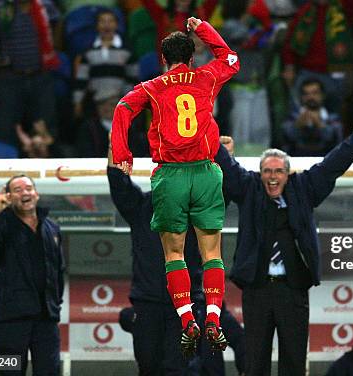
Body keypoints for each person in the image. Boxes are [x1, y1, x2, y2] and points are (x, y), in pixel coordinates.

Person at [111, 17, 239, 355]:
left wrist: (124, 153)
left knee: (174, 254)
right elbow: (231, 58)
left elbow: (123, 108)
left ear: (163, 59)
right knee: (212, 253)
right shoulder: (207, 77)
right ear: (193, 56)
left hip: (171, 176)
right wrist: (204, 29)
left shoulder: (153, 87)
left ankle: (187, 321)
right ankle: (212, 315)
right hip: (207, 172)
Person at [215, 119, 353, 375]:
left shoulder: (304, 188)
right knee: (255, 360)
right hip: (257, 290)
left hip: (293, 288)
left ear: (287, 175)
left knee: (294, 360)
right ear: (260, 173)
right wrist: (222, 149)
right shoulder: (250, 189)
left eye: (278, 171)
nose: (273, 177)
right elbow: (229, 172)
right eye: (267, 171)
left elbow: (331, 167)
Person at [107, 144, 245, 375]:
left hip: (184, 305)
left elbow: (225, 190)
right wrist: (115, 144)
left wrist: (226, 156)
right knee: (148, 366)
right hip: (147, 303)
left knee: (177, 368)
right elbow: (117, 180)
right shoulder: (140, 207)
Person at [0, 175, 65, 376]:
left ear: (37, 194)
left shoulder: (52, 228)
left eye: (29, 188)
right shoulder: (2, 224)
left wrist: (55, 305)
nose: (25, 192)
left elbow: (59, 270)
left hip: (46, 320)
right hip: (10, 320)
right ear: (8, 196)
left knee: (50, 372)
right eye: (18, 189)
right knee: (8, 372)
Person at [0, 0, 61, 147]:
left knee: (45, 126)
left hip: (40, 76)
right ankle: (7, 167)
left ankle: (44, 165)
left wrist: (53, 47)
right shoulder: (2, 8)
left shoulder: (45, 7)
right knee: (5, 128)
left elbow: (58, 22)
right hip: (11, 77)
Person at [282, 78, 343, 156]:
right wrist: (297, 126)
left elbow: (337, 142)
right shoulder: (292, 117)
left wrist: (320, 125)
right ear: (301, 97)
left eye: (315, 93)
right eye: (306, 94)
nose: (310, 97)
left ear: (323, 95)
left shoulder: (333, 118)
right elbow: (285, 142)